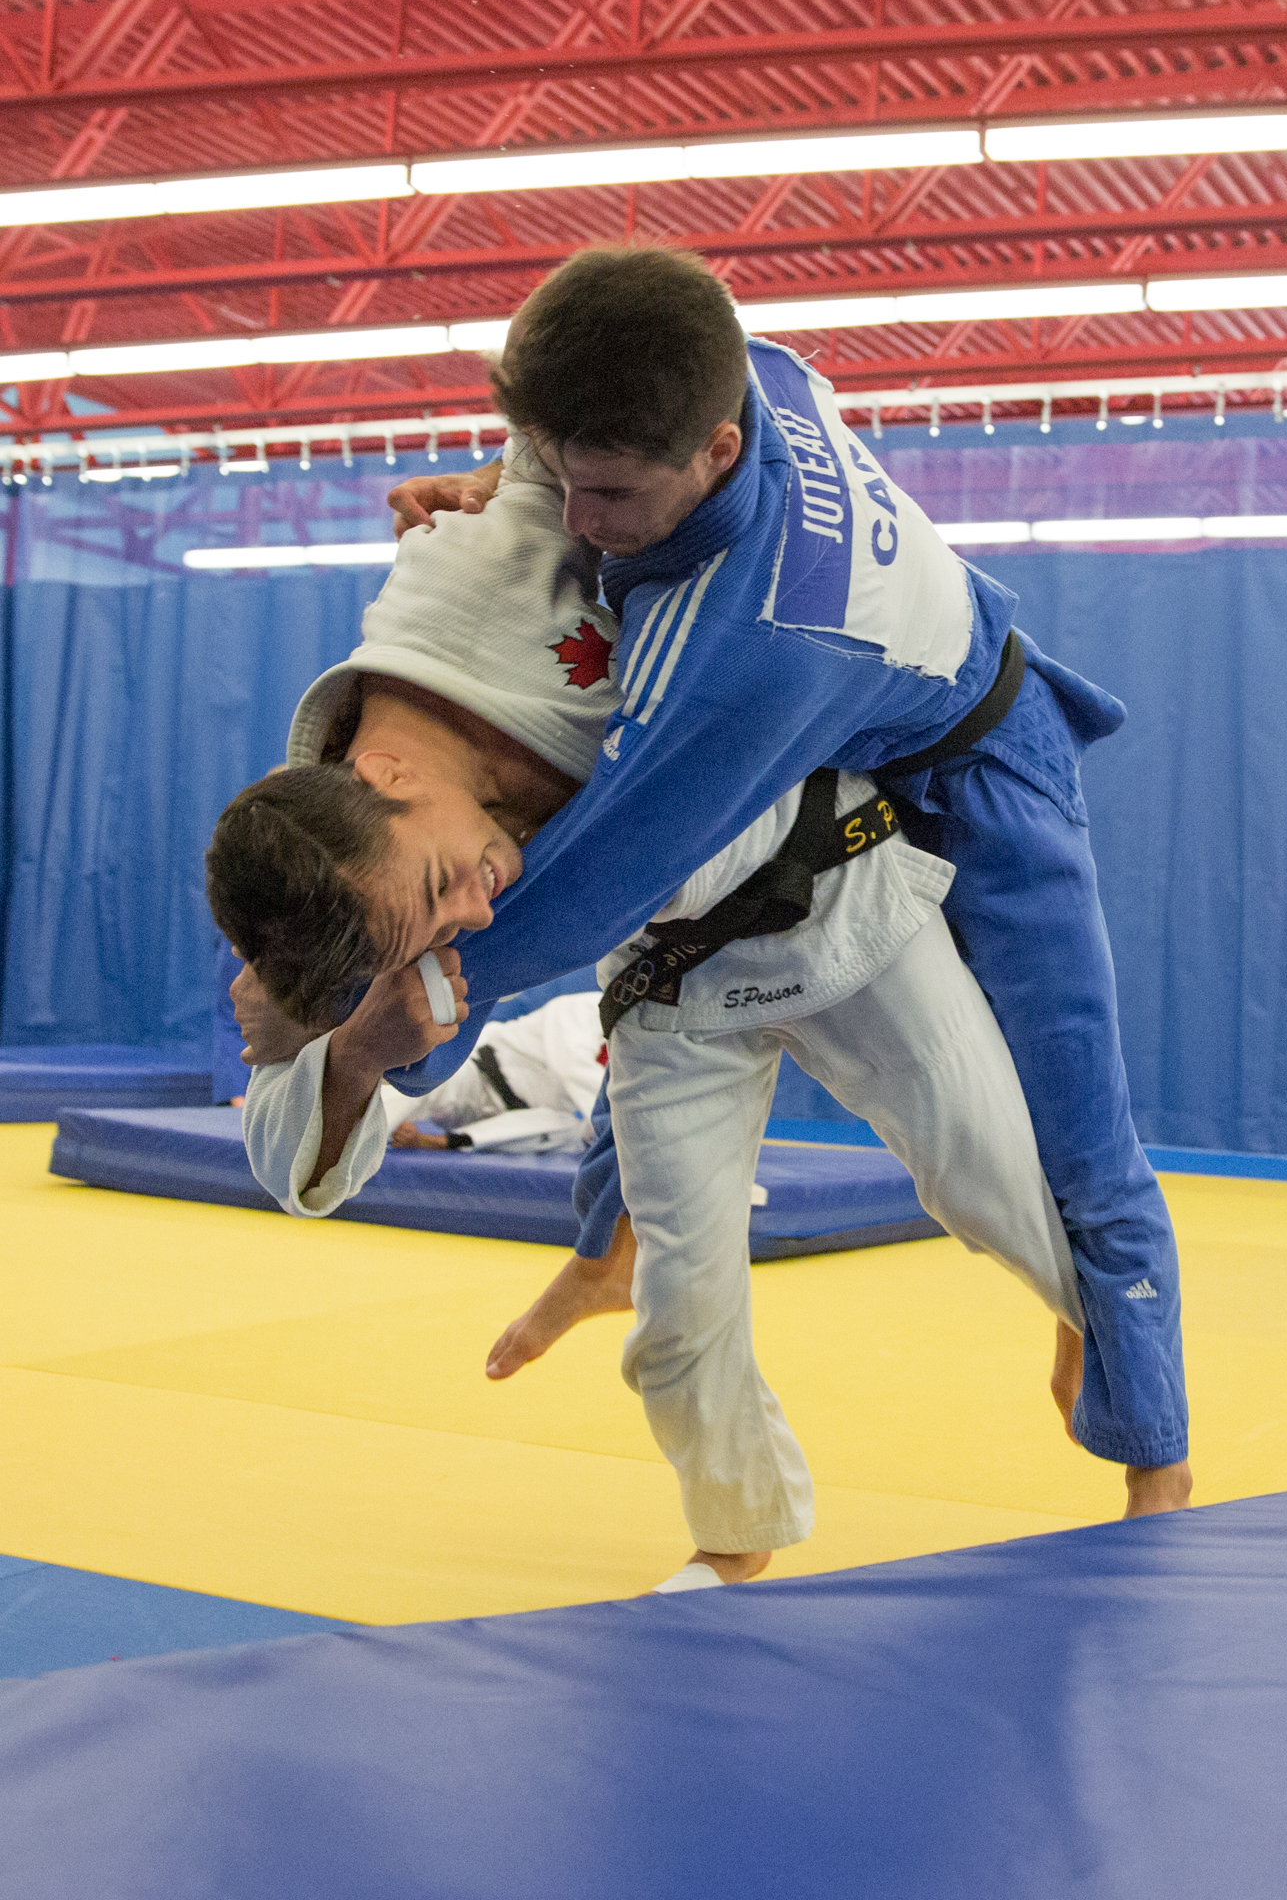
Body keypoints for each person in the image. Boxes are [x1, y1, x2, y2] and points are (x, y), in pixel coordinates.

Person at [378, 246, 1192, 1526]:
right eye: (564, 476)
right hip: (861, 703)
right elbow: (570, 455)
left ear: (710, 448)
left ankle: (1156, 1456)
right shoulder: (746, 362)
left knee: (1077, 1128)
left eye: (609, 492)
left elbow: (592, 875)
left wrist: (416, 1007)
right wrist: (500, 485)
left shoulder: (747, 644)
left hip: (987, 761)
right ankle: (611, 1248)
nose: (579, 520)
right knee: (670, 976)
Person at [212, 429, 1084, 1590]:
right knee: (681, 1308)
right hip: (670, 962)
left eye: (439, 888)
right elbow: (291, 1167)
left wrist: (503, 468)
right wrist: (358, 1049)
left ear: (393, 779)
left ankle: (1106, 1337)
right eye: (436, 922)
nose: (472, 913)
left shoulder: (468, 572)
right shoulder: (332, 900)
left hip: (833, 884)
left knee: (983, 1171)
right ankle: (734, 1533)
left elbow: (598, 393)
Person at [379, 990, 604, 1152]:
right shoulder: (580, 1009)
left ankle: (440, 1142)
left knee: (569, 1128)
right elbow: (572, 1068)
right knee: (426, 1083)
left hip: (514, 1124)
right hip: (478, 1077)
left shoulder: (632, 1054)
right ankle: (351, 1138)